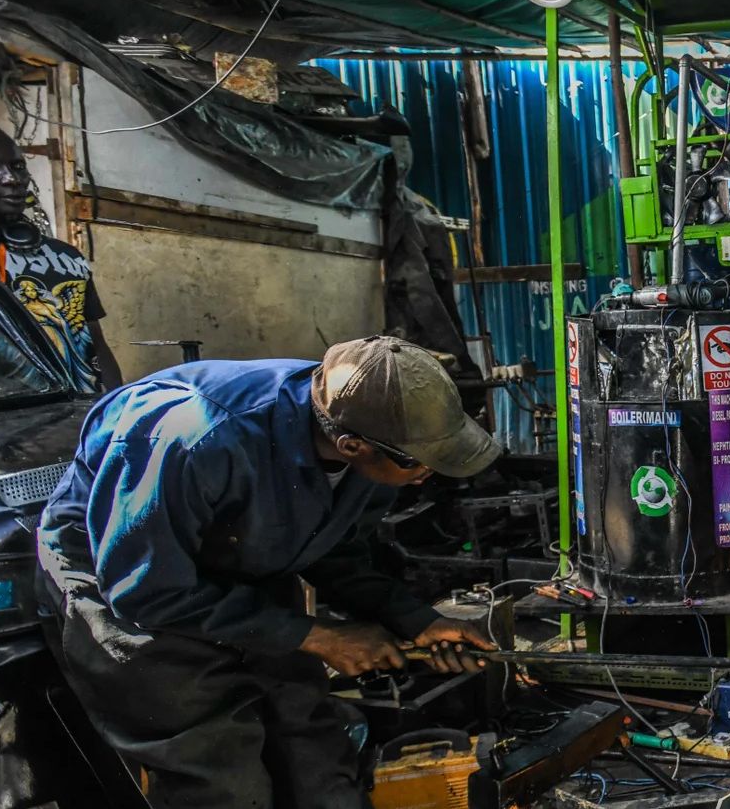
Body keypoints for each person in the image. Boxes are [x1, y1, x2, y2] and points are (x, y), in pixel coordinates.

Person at [37, 335, 503, 807]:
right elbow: (145, 588)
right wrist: (320, 637)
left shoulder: (376, 446)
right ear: (352, 444)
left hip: (234, 563)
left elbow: (332, 550)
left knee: (314, 756)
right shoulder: (196, 435)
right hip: (129, 584)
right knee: (220, 775)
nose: (429, 472)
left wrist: (416, 620)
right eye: (419, 462)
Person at [0, 120, 120, 391]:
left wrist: (115, 406)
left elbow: (96, 346)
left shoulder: (67, 258)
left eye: (17, 167)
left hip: (78, 419)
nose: (12, 179)